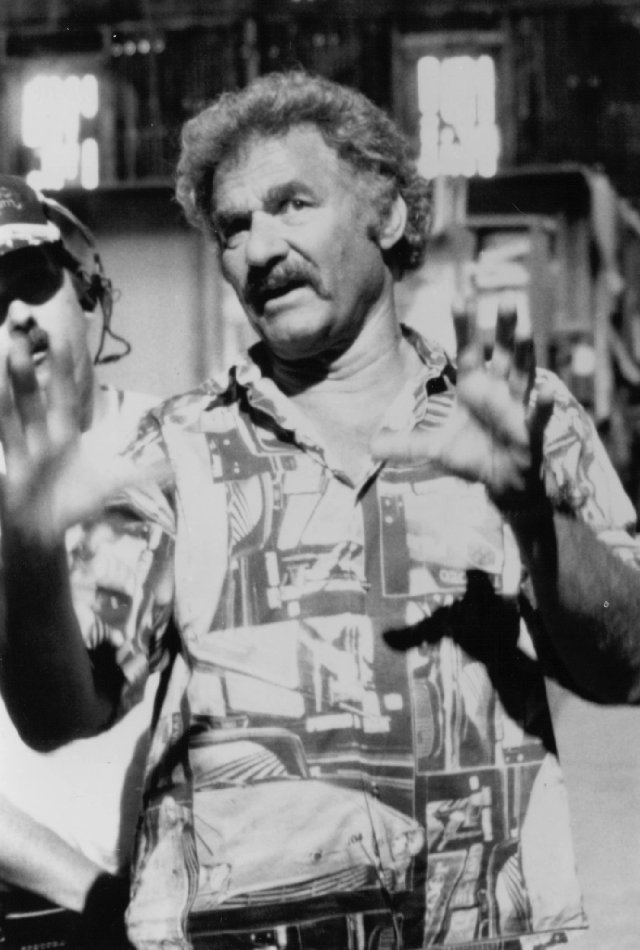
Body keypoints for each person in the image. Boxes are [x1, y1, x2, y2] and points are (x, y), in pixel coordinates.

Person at [1, 72, 640, 950]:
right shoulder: (171, 452)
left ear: (389, 216)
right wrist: (28, 547)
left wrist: (533, 517)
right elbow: (58, 716)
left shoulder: (520, 419)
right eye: (233, 227)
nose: (260, 249)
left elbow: (625, 669)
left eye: (291, 205)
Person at [0, 176, 157, 948]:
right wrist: (97, 901)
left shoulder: (181, 451)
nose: (14, 314)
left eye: (32, 279)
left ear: (89, 296)